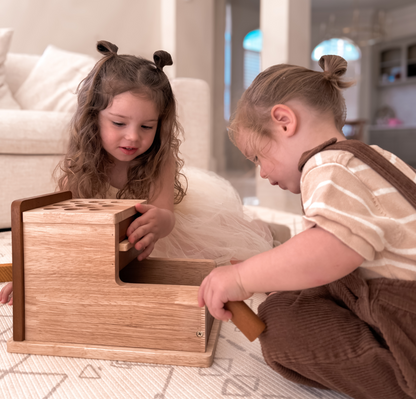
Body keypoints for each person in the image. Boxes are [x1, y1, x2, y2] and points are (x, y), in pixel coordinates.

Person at [198, 55, 416, 399]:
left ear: (284, 121)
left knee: (281, 330)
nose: (264, 174)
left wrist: (242, 278)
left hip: (407, 319)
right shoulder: (368, 157)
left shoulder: (323, 165)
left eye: (258, 157)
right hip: (392, 290)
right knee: (289, 290)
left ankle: (402, 383)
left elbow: (333, 249)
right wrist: (270, 273)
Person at [1, 40, 274, 306]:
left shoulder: (158, 158)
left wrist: (160, 222)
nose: (132, 137)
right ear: (93, 117)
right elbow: (63, 232)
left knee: (213, 257)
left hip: (157, 237)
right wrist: (31, 274)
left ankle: (264, 230)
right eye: (119, 123)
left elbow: (167, 216)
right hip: (110, 241)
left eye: (147, 127)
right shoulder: (83, 161)